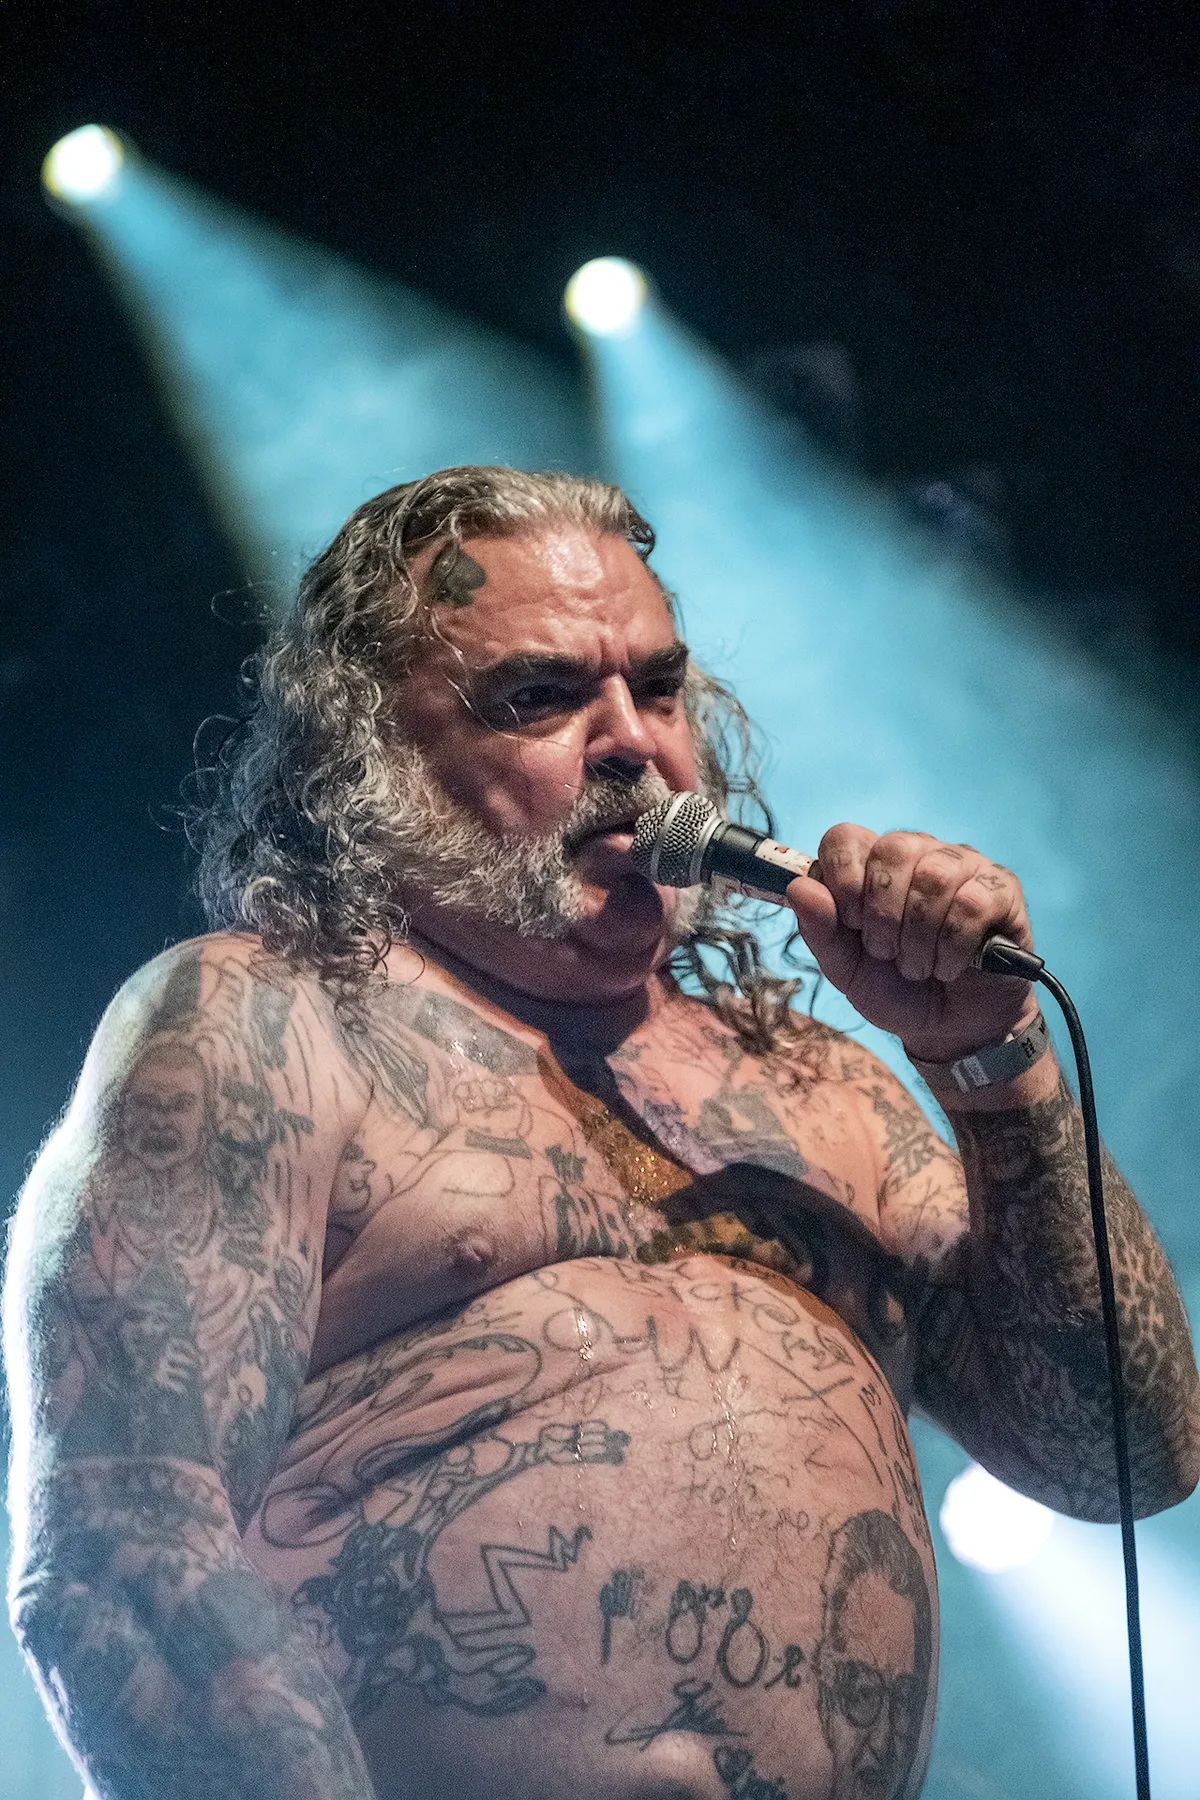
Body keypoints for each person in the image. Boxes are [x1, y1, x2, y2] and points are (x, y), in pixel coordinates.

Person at [4, 466, 1196, 1800]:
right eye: (541, 696)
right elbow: (120, 1561)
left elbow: (1126, 1456)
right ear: (370, 760)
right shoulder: (264, 1027)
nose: (632, 740)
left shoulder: (829, 1096)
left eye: (661, 688)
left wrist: (990, 1054)